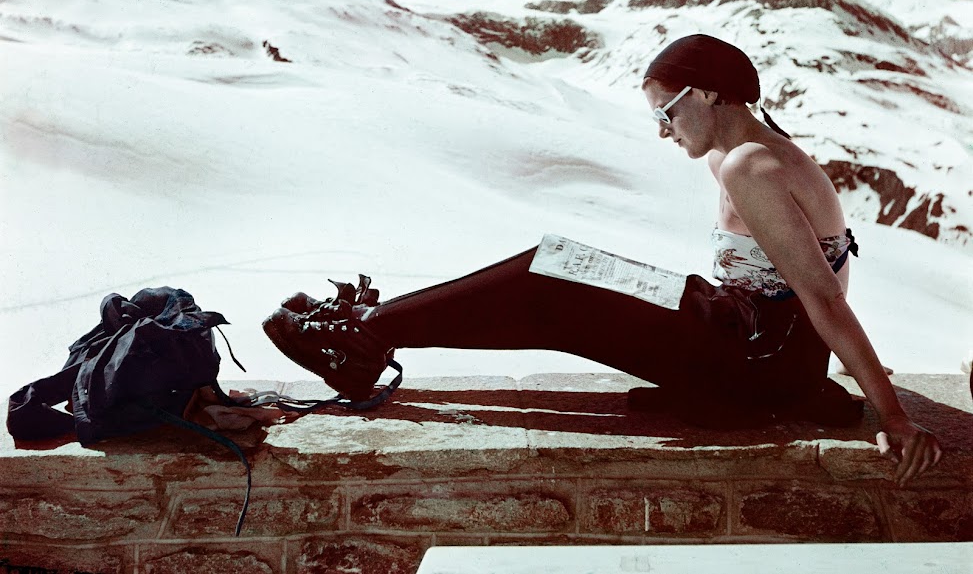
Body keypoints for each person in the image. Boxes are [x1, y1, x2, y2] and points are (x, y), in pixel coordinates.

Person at [263, 33, 942, 486]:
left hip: (752, 359)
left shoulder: (749, 166)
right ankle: (374, 323)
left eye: (666, 111)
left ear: (706, 94)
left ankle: (362, 338)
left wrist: (892, 415)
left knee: (545, 283)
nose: (661, 129)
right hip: (755, 343)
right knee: (560, 262)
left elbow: (823, 295)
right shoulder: (749, 153)